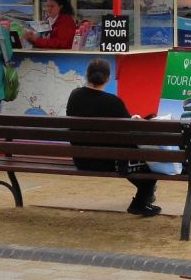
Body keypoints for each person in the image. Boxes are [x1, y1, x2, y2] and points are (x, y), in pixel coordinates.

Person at [66, 57, 159, 217]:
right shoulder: (113, 102)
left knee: (129, 157)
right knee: (147, 160)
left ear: (87, 75)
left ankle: (145, 196)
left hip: (81, 159)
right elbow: (130, 133)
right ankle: (141, 201)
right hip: (109, 162)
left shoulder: (74, 96)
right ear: (108, 78)